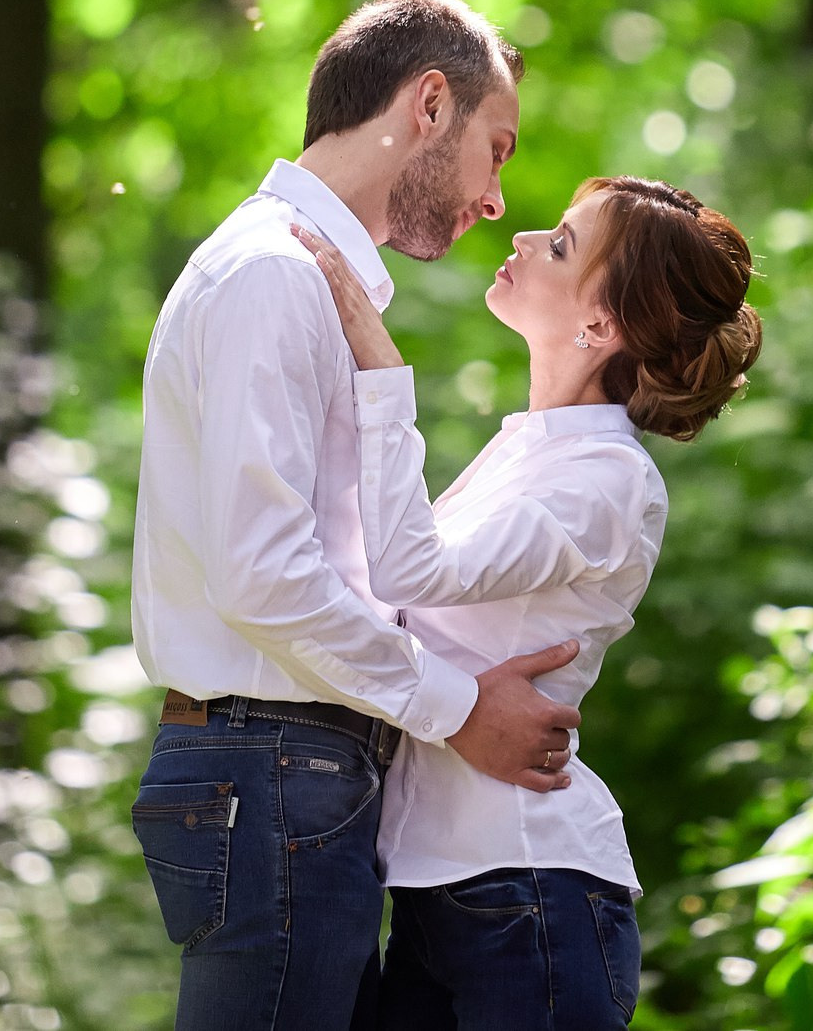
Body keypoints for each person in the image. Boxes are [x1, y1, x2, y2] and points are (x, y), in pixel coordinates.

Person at [129, 0, 589, 1031]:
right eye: (497, 148)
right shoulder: (272, 278)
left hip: (287, 770)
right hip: (271, 767)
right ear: (429, 105)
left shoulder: (295, 274)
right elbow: (265, 577)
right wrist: (460, 708)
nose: (494, 200)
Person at [290, 174, 763, 1031]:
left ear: (598, 326)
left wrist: (382, 370)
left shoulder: (609, 480)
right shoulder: (528, 451)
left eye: (560, 245)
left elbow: (405, 570)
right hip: (441, 891)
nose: (521, 237)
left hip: (532, 895)